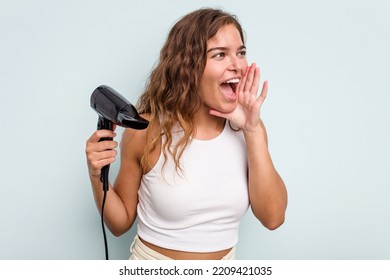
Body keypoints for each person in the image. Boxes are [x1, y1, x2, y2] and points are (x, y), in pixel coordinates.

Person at [86, 8, 287, 260]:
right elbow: (119, 223)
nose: (237, 65)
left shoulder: (249, 129)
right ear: (188, 66)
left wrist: (254, 131)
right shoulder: (146, 130)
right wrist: (96, 176)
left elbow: (273, 217)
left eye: (241, 53)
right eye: (220, 55)